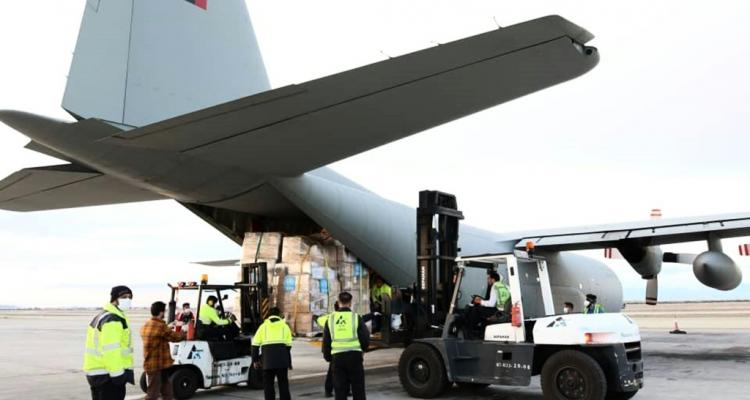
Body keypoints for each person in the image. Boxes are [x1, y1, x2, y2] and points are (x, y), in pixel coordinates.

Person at [83, 285, 135, 400]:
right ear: (114, 299)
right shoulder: (112, 320)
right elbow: (111, 351)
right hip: (108, 377)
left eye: (130, 297)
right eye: (124, 297)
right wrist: (118, 375)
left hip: (98, 374)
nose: (127, 300)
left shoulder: (104, 315)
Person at [323, 292, 370, 400]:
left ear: (338, 302)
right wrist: (363, 350)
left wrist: (328, 357)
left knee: (340, 391)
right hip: (354, 357)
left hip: (337, 358)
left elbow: (326, 341)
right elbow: (365, 337)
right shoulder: (356, 318)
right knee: (358, 389)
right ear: (350, 303)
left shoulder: (330, 319)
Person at [141, 301, 185, 400]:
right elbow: (175, 337)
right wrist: (183, 332)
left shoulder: (147, 324)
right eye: (164, 311)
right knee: (153, 393)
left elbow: (158, 336)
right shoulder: (160, 326)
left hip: (156, 363)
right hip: (157, 364)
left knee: (166, 388)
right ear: (161, 312)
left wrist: (168, 327)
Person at [252, 307, 293, 400]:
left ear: (268, 315)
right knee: (283, 384)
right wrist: (288, 361)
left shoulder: (263, 327)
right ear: (279, 315)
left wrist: (255, 360)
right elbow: (289, 346)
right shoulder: (285, 326)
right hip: (282, 362)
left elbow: (255, 345)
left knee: (268, 386)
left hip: (267, 362)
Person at [316, 301, 340, 398]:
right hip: (343, 350)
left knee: (332, 372)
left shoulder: (329, 318)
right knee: (346, 372)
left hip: (334, 350)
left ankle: (328, 390)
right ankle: (345, 390)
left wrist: (326, 354)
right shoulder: (349, 317)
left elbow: (326, 339)